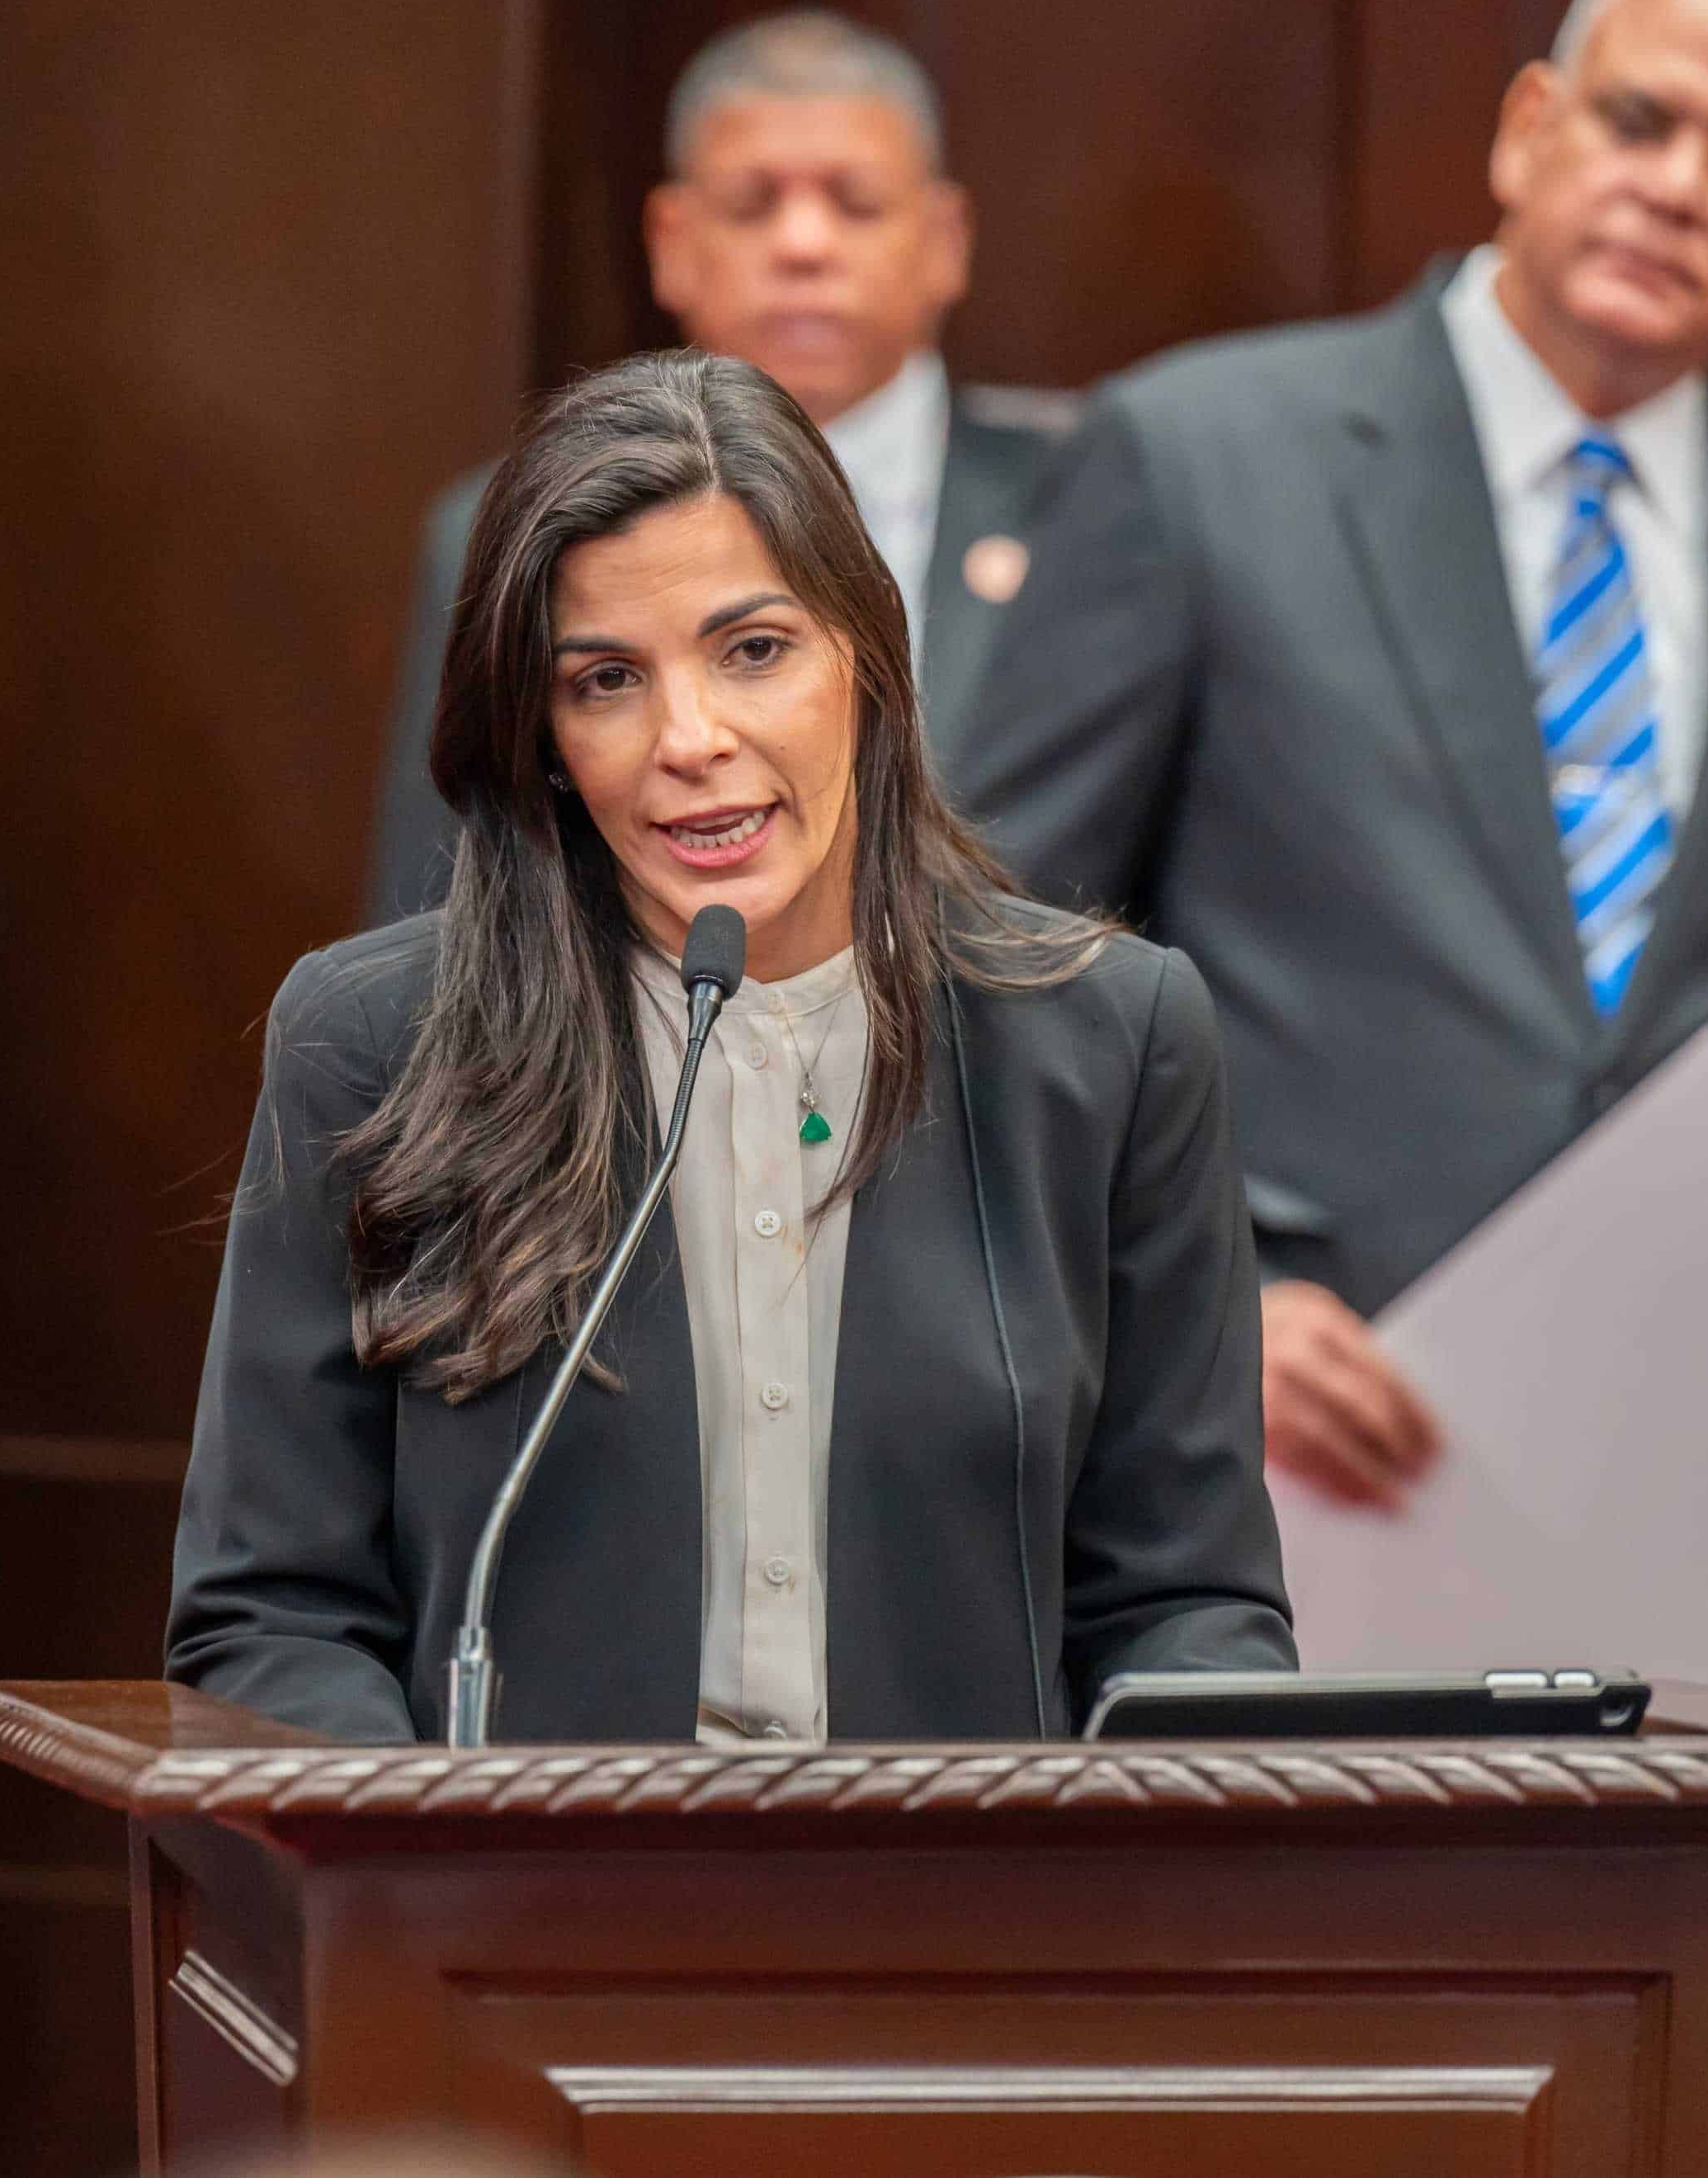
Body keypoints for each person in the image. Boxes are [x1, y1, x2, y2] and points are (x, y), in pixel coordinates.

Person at [943, 0, 1708, 1722]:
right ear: (1527, 132)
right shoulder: (1204, 457)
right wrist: (1204, 1308)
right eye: (1635, 122)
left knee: (1694, 2009)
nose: (1674, 186)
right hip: (1287, 1489)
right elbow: (989, 970)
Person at [171, 351, 1291, 1744]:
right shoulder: (372, 1043)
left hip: (972, 1918)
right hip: (510, 1925)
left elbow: (1184, 1606)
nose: (685, 738)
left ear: (866, 661)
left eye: (752, 649)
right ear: (543, 736)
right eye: (604, 679)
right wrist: (423, 1867)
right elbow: (273, 1614)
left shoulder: (1110, 1043)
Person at [364, 9, 1071, 923]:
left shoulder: (1083, 506)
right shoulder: (497, 531)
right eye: (753, 205)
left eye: (854, 202)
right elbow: (435, 907)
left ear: (944, 240)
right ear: (670, 242)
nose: (803, 245)